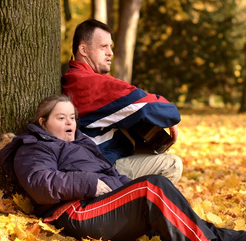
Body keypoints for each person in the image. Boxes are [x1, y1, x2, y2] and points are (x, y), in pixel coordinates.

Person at [0, 95, 246, 241]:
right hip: (74, 211)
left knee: (177, 218)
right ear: (43, 123)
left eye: (72, 118)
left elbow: (112, 176)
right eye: (61, 118)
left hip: (102, 202)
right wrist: (88, 183)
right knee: (153, 186)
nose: (70, 123)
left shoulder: (82, 144)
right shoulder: (34, 145)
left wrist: (119, 185)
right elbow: (40, 183)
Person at [61, 19, 183, 185]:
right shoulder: (87, 83)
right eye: (103, 47)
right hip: (101, 168)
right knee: (172, 165)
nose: (110, 52)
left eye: (110, 46)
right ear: (83, 49)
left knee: (150, 145)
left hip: (98, 158)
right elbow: (147, 106)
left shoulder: (75, 78)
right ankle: (131, 207)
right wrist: (171, 116)